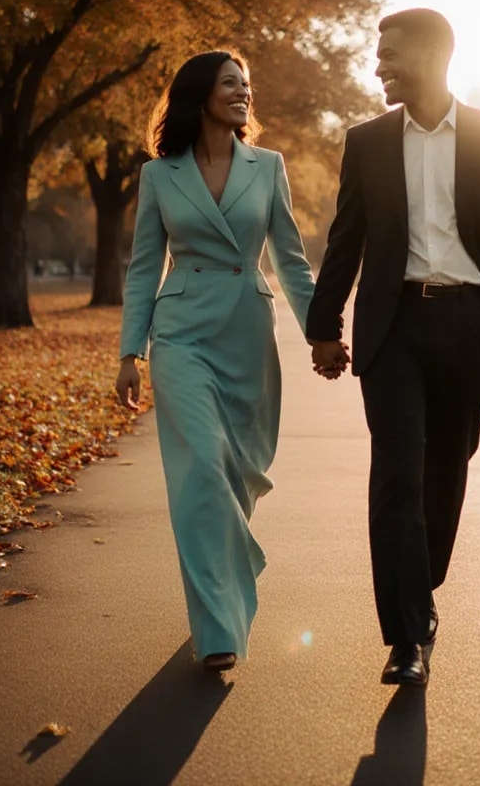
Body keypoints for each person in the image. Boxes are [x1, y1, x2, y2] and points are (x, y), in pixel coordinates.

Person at [306, 9, 480, 687]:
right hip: (394, 328)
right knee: (397, 475)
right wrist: (326, 326)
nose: (378, 66)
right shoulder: (369, 141)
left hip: (468, 325)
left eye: (390, 55)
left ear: (435, 57)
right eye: (377, 56)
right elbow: (344, 238)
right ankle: (406, 636)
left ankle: (421, 586)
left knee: (448, 468)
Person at [115, 50, 319, 672]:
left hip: (246, 334)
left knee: (237, 476)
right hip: (180, 334)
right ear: (200, 94)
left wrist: (322, 332)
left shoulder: (269, 166)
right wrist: (131, 349)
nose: (243, 93)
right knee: (200, 470)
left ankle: (226, 579)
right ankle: (217, 630)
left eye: (246, 85)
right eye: (231, 83)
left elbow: (289, 259)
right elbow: (145, 266)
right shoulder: (159, 175)